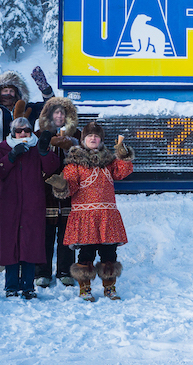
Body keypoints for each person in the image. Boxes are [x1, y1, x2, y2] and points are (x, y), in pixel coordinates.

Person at [51, 122, 134, 301]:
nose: (93, 138)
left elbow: (122, 172)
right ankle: (85, 288)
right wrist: (61, 185)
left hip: (106, 215)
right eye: (89, 136)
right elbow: (70, 188)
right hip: (85, 216)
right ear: (83, 140)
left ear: (101, 140)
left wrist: (122, 154)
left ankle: (109, 288)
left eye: (96, 136)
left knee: (109, 254)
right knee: (86, 253)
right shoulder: (74, 165)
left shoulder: (109, 162)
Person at [0, 68, 54, 263]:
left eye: (11, 90)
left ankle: (23, 249)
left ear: (18, 92)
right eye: (3, 90)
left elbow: (50, 106)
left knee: (25, 210)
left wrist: (43, 87)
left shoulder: (28, 108)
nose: (7, 93)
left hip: (27, 166)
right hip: (2, 164)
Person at [0, 116, 59, 298]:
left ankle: (28, 286)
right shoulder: (3, 147)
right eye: (19, 131)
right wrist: (11, 156)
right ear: (12, 133)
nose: (23, 134)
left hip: (32, 203)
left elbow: (52, 167)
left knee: (30, 243)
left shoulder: (37, 147)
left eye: (26, 131)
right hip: (9, 204)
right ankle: (11, 285)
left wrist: (44, 151)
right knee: (10, 243)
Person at [34, 98, 81, 288]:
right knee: (44, 234)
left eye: (63, 113)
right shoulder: (39, 135)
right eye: (56, 113)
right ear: (49, 115)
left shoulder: (77, 135)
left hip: (70, 191)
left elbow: (85, 157)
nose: (59, 116)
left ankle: (66, 272)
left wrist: (72, 146)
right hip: (45, 191)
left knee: (67, 235)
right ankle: (42, 272)